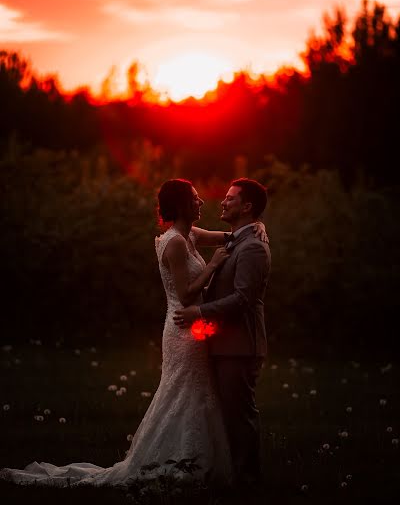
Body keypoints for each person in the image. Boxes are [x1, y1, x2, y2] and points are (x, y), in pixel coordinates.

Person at [0, 178, 267, 490]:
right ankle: (178, 460)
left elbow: (229, 237)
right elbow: (184, 295)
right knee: (184, 392)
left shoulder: (190, 235)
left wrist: (257, 226)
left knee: (197, 393)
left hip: (193, 327)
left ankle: (197, 459)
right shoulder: (176, 242)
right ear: (182, 205)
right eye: (195, 199)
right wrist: (212, 267)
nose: (203, 203)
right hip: (183, 326)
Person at [173, 178, 271, 494]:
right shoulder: (237, 240)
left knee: (240, 414)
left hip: (241, 346)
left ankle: (248, 483)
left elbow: (243, 299)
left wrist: (198, 313)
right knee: (228, 413)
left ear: (247, 207)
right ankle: (232, 475)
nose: (223, 202)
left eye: (230, 198)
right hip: (224, 345)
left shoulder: (253, 247)